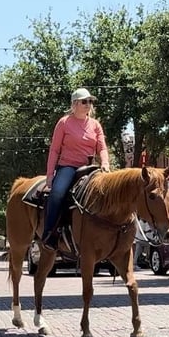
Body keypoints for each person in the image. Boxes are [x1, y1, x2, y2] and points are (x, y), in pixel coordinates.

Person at [42, 87, 110, 250]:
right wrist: (50, 174)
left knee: (108, 192)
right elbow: (55, 150)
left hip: (90, 167)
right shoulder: (64, 123)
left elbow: (102, 147)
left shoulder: (95, 125)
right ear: (74, 104)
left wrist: (105, 163)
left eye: (90, 102)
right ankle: (49, 233)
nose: (88, 105)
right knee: (57, 193)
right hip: (68, 166)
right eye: (84, 101)